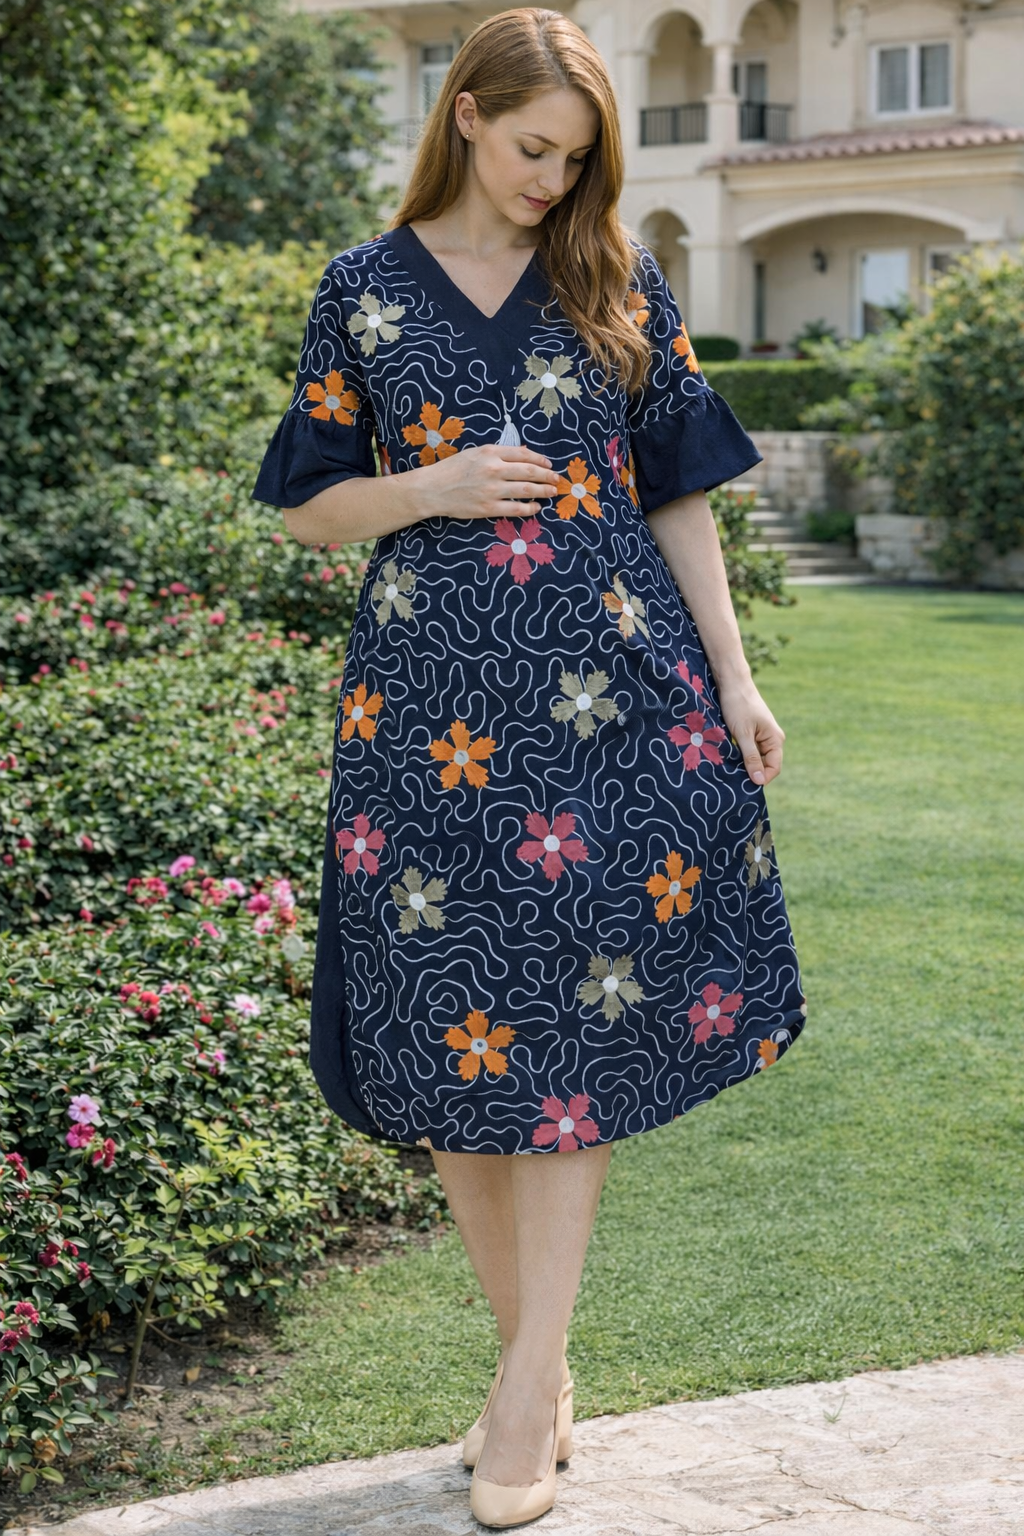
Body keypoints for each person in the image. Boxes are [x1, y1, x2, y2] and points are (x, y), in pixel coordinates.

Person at [251, 7, 807, 1527]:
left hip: (615, 710)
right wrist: (429, 484)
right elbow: (306, 506)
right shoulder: (364, 290)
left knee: (569, 1040)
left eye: (574, 159)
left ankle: (520, 1390)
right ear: (467, 117)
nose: (551, 181)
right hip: (425, 722)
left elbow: (679, 491)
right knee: (453, 1048)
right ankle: (535, 1370)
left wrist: (736, 676)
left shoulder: (614, 277)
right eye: (530, 148)